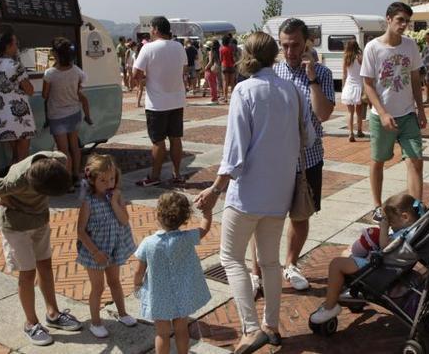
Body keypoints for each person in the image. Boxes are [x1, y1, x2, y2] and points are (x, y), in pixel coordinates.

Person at [194, 32, 315, 353]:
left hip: (247, 193)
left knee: (231, 258)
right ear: (274, 54)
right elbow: (310, 137)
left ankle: (251, 328)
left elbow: (234, 152)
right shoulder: (291, 89)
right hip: (280, 190)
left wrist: (215, 189)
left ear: (248, 54)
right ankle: (271, 325)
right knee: (271, 262)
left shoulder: (245, 90)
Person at [0, 152, 81, 346]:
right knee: (27, 274)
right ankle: (31, 323)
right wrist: (2, 193)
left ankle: (53, 314)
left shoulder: (58, 161)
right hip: (16, 226)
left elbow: (64, 157)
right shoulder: (15, 182)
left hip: (39, 221)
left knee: (45, 265)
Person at [272, 18, 335, 291]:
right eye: (284, 45)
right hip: (276, 158)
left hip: (308, 158)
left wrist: (311, 78)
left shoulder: (321, 73)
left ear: (307, 43)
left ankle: (290, 263)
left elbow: (323, 114)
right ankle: (257, 270)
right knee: (265, 215)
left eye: (295, 45)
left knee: (300, 214)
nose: (290, 52)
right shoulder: (272, 72)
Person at [309, 192, 422, 324]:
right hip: (390, 264)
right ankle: (351, 293)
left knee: (336, 264)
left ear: (405, 217)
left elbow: (385, 246)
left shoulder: (404, 234)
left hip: (380, 268)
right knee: (346, 253)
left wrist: (384, 228)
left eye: (392, 222)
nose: (391, 225)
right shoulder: (415, 231)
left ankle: (330, 306)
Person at [361, 2, 426, 213]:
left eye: (407, 21)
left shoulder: (410, 45)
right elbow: (368, 85)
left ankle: (416, 209)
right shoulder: (373, 48)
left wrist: (421, 109)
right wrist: (382, 113)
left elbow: (415, 79)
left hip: (407, 114)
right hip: (382, 116)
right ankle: (377, 206)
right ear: (388, 19)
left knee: (416, 160)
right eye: (400, 20)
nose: (404, 25)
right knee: (378, 161)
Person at [134, 192, 212, 354]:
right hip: (182, 295)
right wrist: (207, 211)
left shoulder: (148, 243)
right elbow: (205, 227)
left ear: (158, 215)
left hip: (159, 296)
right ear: (184, 219)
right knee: (181, 330)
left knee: (162, 334)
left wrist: (137, 284)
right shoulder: (187, 238)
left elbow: (138, 270)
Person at [76, 154, 137, 338]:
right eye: (103, 180)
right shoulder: (88, 203)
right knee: (98, 287)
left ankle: (123, 313)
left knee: (115, 282)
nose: (108, 183)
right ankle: (95, 323)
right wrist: (95, 252)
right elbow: (80, 231)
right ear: (92, 180)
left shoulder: (117, 196)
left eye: (111, 178)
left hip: (113, 247)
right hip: (94, 250)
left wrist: (114, 202)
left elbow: (124, 220)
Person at [133, 17, 189, 186]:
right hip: (177, 100)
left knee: (158, 141)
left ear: (156, 29)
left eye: (151, 28)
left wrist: (146, 81)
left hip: (157, 103)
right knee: (175, 138)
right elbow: (184, 69)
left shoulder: (148, 48)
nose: (150, 31)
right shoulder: (179, 47)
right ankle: (177, 174)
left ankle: (155, 176)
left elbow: (136, 73)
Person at [43, 37, 92, 185]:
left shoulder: (50, 73)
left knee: (63, 150)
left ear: (56, 54)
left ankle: (67, 181)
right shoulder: (77, 71)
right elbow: (80, 89)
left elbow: (45, 95)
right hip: (74, 112)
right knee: (75, 147)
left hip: (57, 115)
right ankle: (76, 175)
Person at [0, 29, 36, 164]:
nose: (17, 47)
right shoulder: (15, 65)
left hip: (3, 115)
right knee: (23, 158)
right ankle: (21, 184)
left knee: (15, 156)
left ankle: (13, 183)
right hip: (20, 115)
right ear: (8, 46)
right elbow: (30, 90)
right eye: (15, 44)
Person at [341, 39, 365, 142]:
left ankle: (350, 133)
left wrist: (343, 86)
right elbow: (364, 73)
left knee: (350, 112)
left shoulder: (346, 58)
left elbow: (344, 74)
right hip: (359, 86)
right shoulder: (360, 57)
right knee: (359, 112)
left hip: (349, 86)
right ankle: (359, 131)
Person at [204, 40, 221, 104]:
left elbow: (210, 62)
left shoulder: (211, 52)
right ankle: (215, 98)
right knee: (214, 84)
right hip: (215, 69)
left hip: (210, 69)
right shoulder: (217, 51)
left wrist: (206, 67)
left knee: (212, 85)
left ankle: (214, 99)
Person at [220, 36, 236, 103]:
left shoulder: (221, 49)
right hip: (231, 65)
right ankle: (233, 96)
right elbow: (232, 57)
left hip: (224, 65)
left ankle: (225, 97)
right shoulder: (231, 48)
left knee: (225, 82)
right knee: (232, 82)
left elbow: (220, 58)